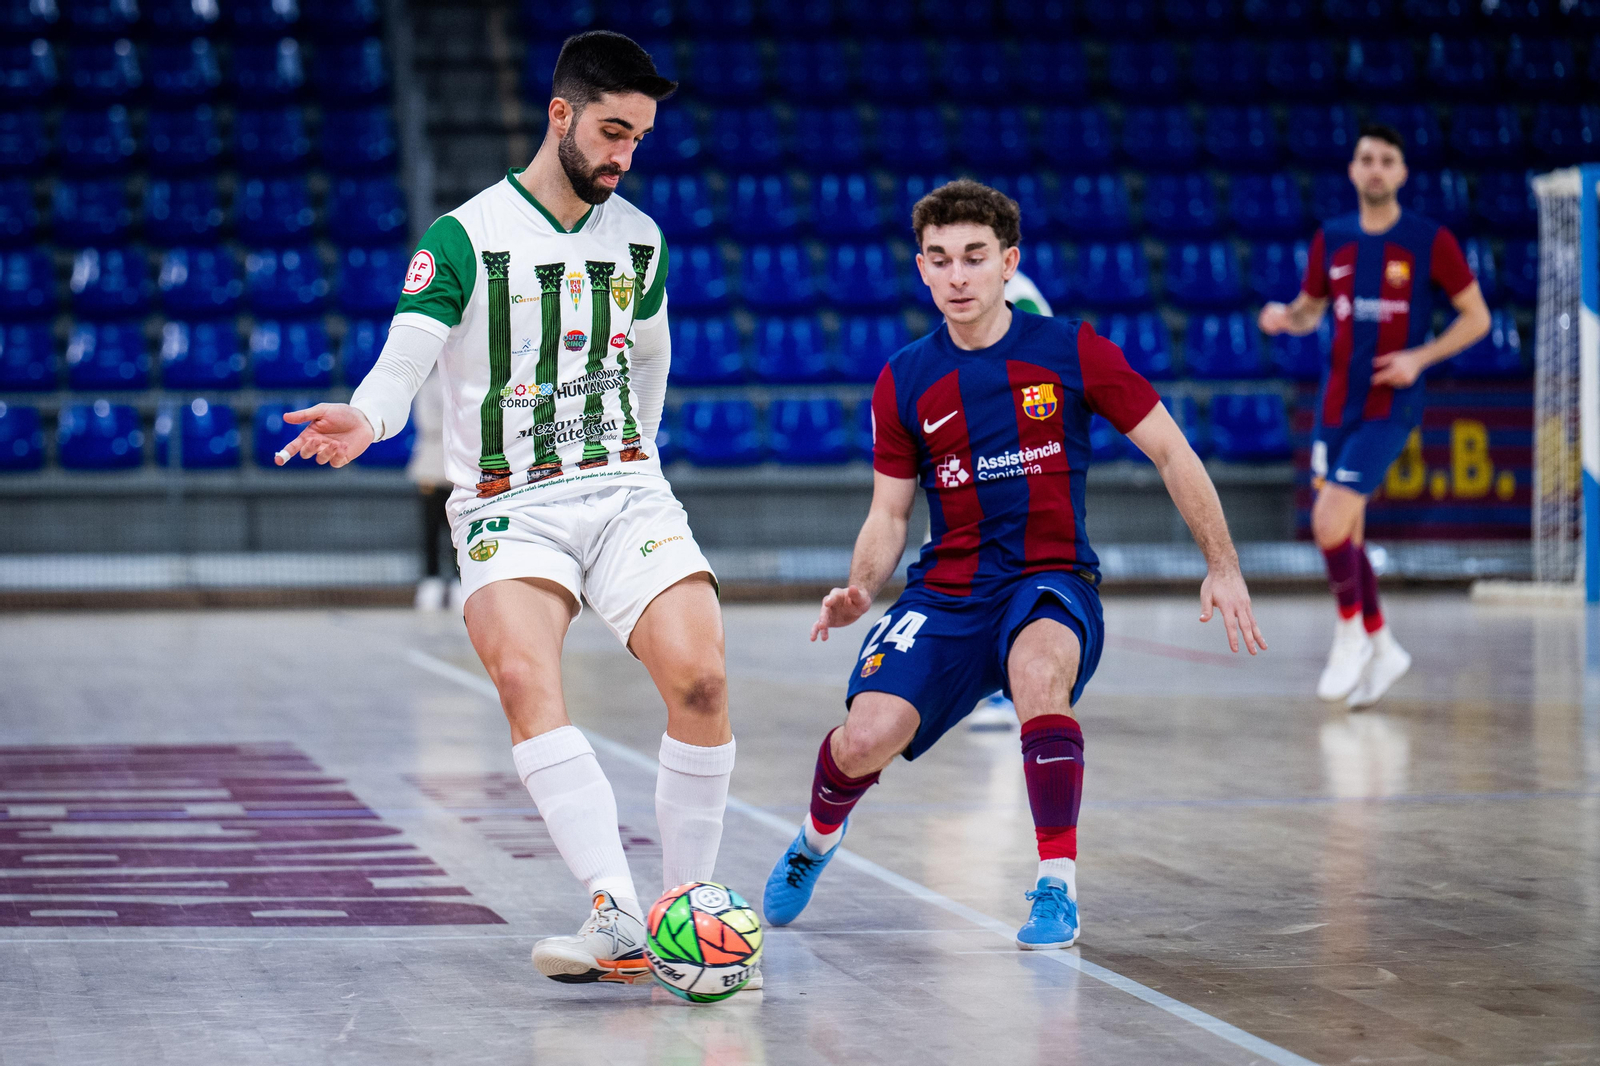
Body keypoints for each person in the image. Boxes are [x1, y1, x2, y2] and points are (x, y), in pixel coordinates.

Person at [273, 31, 752, 989]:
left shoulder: (642, 240)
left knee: (701, 682)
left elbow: (650, 357)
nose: (624, 154)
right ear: (561, 114)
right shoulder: (462, 236)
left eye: (640, 138)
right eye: (612, 130)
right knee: (526, 678)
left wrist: (642, 458)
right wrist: (367, 417)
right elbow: (405, 361)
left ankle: (684, 918)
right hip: (507, 503)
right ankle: (615, 910)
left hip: (623, 492)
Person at [762, 180, 1266, 950]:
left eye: (974, 257)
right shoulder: (904, 378)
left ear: (1008, 263)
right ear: (922, 270)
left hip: (1051, 578)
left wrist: (1222, 563)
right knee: (865, 737)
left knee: (1038, 676)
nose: (957, 276)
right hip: (950, 589)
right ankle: (816, 839)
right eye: (940, 260)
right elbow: (890, 511)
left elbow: (1171, 449)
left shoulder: (1073, 351)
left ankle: (1056, 885)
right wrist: (862, 586)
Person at [1259, 124, 1489, 708]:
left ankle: (1349, 633)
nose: (1377, 168)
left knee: (1328, 523)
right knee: (1347, 532)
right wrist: (1286, 317)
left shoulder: (1427, 240)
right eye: (1367, 159)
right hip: (1336, 403)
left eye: (1388, 159)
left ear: (1402, 173)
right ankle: (1382, 644)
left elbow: (1477, 318)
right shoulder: (1331, 238)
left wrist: (1421, 356)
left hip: (1391, 405)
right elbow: (1312, 310)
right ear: (1354, 171)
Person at [966, 268, 1054, 732]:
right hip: (982, 462)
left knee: (1008, 576)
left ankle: (1010, 692)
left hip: (1011, 464)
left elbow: (1033, 382)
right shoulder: (979, 302)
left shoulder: (1021, 304)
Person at [408, 368, 460, 611]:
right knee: (430, 530)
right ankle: (431, 581)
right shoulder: (429, 385)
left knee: (458, 533)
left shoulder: (465, 379)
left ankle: (461, 582)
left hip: (460, 466)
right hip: (432, 464)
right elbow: (428, 422)